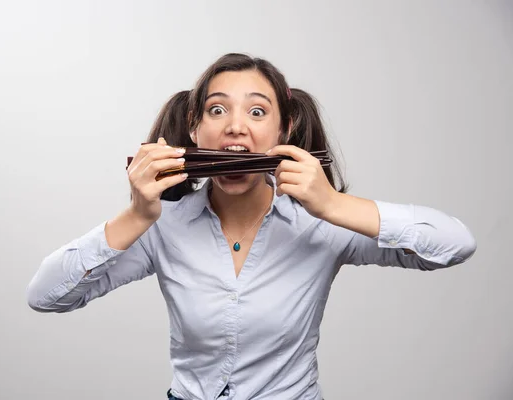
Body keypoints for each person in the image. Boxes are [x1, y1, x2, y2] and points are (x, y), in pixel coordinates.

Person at [26, 53, 477, 400]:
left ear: (285, 127)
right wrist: (138, 215)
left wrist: (333, 203)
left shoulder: (320, 221)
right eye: (217, 111)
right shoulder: (164, 228)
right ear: (194, 127)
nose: (235, 128)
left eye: (257, 113)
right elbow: (45, 296)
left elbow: (455, 244)